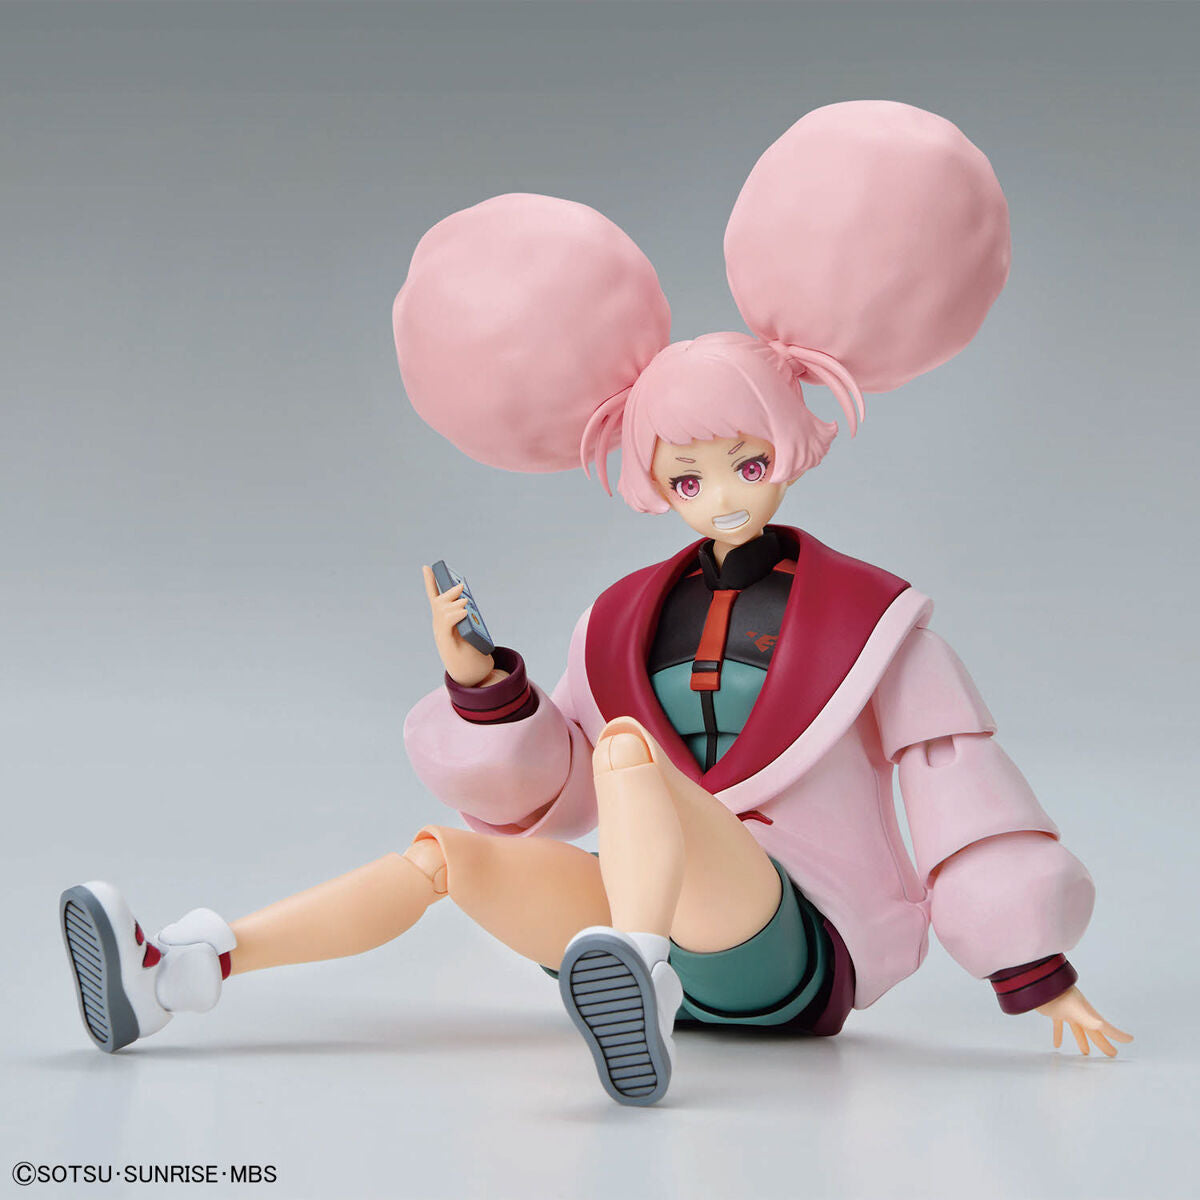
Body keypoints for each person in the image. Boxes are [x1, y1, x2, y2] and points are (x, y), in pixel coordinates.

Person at [60, 101, 1130, 1107]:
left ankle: (639, 973)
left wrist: (1034, 972)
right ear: (652, 481)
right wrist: (485, 690)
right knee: (446, 856)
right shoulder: (623, 618)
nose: (721, 496)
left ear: (792, 445)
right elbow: (561, 790)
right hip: (637, 921)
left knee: (630, 756)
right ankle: (184, 969)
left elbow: (960, 797)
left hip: (797, 945)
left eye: (749, 461)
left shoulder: (876, 624)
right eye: (686, 477)